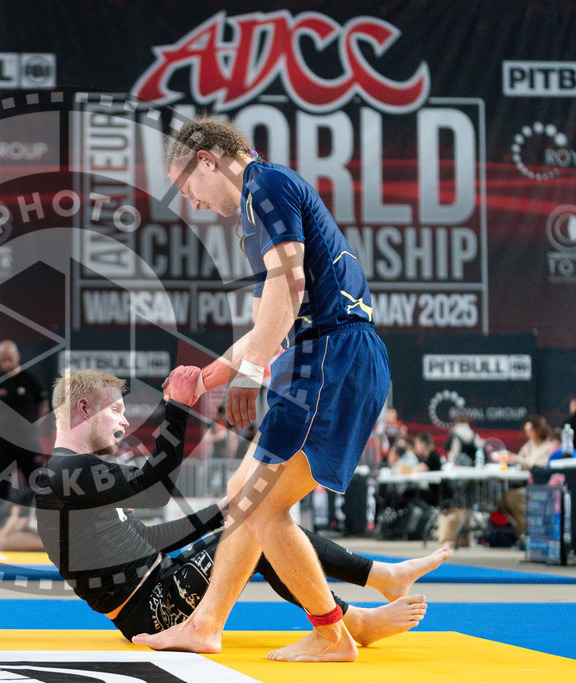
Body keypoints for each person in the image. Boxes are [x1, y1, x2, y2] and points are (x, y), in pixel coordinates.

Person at [137, 117, 390, 661]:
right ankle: (206, 624)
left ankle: (331, 634)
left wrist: (252, 374)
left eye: (188, 188)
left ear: (206, 159)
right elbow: (265, 322)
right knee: (243, 497)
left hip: (331, 357)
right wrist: (213, 375)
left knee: (258, 506)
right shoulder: (262, 199)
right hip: (328, 356)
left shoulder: (266, 186)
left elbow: (288, 286)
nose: (194, 203)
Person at [35, 369, 440, 646]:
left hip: (156, 585)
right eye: (116, 411)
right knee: (261, 530)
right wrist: (177, 408)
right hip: (149, 610)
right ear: (84, 409)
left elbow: (146, 540)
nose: (124, 423)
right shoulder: (65, 472)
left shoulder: (80, 472)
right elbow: (152, 488)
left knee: (259, 521)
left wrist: (221, 510)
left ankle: (376, 585)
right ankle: (358, 614)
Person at [0, 340, 47, 509]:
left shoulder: (31, 381)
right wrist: (1, 426)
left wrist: (31, 428)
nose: (6, 363)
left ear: (18, 356)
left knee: (37, 483)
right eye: (2, 360)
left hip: (27, 442)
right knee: (1, 487)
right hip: (2, 443)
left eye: (9, 359)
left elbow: (43, 407)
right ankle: (0, 525)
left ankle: (42, 522)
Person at [494, 416, 559, 534]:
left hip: (542, 486)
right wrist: (510, 459)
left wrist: (516, 459)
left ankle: (528, 533)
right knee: (503, 498)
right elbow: (520, 459)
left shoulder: (550, 446)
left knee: (513, 497)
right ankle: (523, 532)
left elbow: (541, 466)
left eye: (531, 431)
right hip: (526, 483)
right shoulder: (529, 445)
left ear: (539, 429)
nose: (528, 434)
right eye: (527, 431)